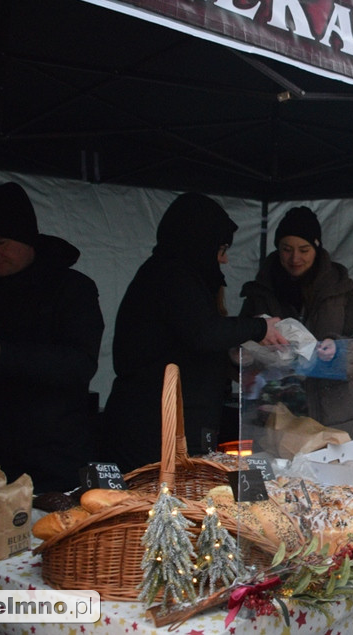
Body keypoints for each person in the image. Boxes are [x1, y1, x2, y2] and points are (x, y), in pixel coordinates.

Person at [0, 182, 104, 492]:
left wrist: (3, 356)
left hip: (53, 457)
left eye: (0, 242)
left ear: (27, 238)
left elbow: (80, 364)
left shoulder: (71, 289)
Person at [101, 192, 286, 473]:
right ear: (200, 244)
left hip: (173, 421)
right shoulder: (171, 276)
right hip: (153, 426)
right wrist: (258, 327)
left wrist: (235, 357)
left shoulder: (174, 274)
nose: (224, 260)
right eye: (221, 249)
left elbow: (188, 342)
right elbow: (204, 332)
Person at [239, 206, 353, 438]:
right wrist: (244, 354)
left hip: (339, 418)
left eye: (304, 249)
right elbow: (241, 352)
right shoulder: (261, 293)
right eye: (286, 250)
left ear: (316, 247)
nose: (295, 258)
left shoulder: (342, 290)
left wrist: (339, 348)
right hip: (278, 418)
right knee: (284, 475)